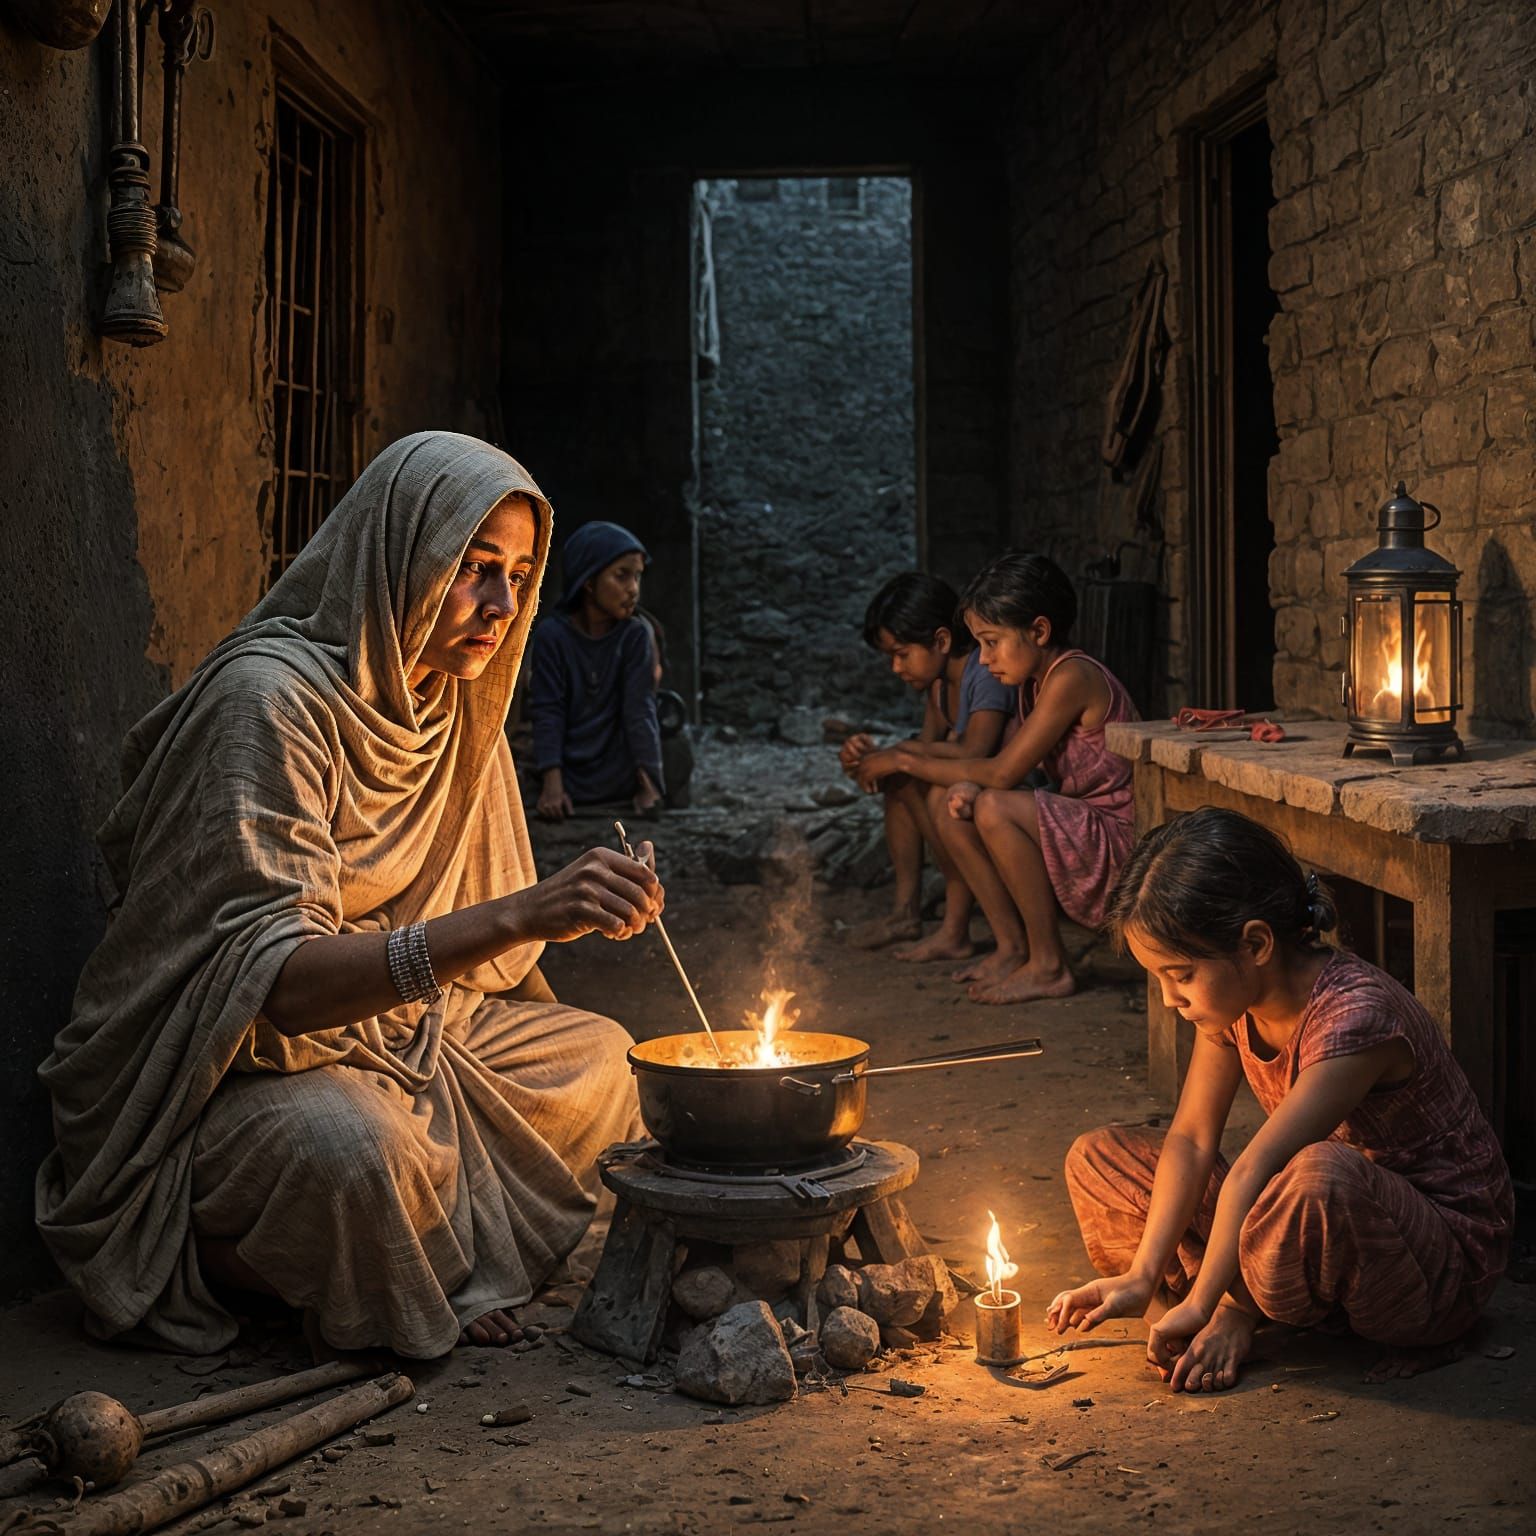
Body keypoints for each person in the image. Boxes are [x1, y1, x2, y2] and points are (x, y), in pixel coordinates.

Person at [36, 433, 664, 1360]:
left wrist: (562, 926)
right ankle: (236, 1260)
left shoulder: (455, 705)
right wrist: (527, 910)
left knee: (605, 1063)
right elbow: (275, 988)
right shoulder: (268, 703)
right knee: (360, 1153)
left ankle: (413, 1252)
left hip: (407, 1027)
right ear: (400, 550)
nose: (501, 606)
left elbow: (495, 979)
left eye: (522, 576)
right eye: (475, 568)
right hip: (233, 1068)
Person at [1046, 807, 1513, 1392]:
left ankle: (1239, 1311)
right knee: (1099, 1159)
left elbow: (1256, 1170)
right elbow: (1192, 1140)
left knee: (1320, 1175)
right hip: (1305, 1216)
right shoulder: (1234, 1001)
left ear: (1257, 943)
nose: (1169, 998)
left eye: (1181, 974)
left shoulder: (1355, 1018)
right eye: (1159, 978)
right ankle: (1222, 1302)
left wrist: (1219, 1305)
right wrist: (1141, 1274)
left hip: (1434, 1257)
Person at [854, 551, 1137, 1004]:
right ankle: (1013, 948)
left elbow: (1003, 771)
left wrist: (905, 761)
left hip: (1121, 837)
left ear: (1039, 631)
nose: (983, 660)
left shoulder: (1072, 676)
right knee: (964, 805)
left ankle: (1048, 965)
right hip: (1083, 822)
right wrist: (973, 784)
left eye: (991, 642)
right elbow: (1023, 772)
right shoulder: (1032, 682)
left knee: (990, 803)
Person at [840, 573, 1013, 960]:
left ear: (941, 640)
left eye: (901, 654)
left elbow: (976, 750)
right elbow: (927, 751)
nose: (895, 668)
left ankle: (956, 929)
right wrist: (872, 758)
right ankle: (906, 913)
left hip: (1004, 796)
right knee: (902, 781)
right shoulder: (940, 686)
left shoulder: (985, 673)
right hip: (968, 789)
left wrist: (898, 755)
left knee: (928, 788)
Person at [529, 521, 665, 820]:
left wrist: (648, 786)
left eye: (637, 577)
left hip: (619, 769)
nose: (633, 589)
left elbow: (639, 711)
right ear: (588, 582)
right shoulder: (553, 636)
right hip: (568, 769)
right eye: (621, 576)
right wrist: (552, 785)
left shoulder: (635, 636)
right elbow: (548, 709)